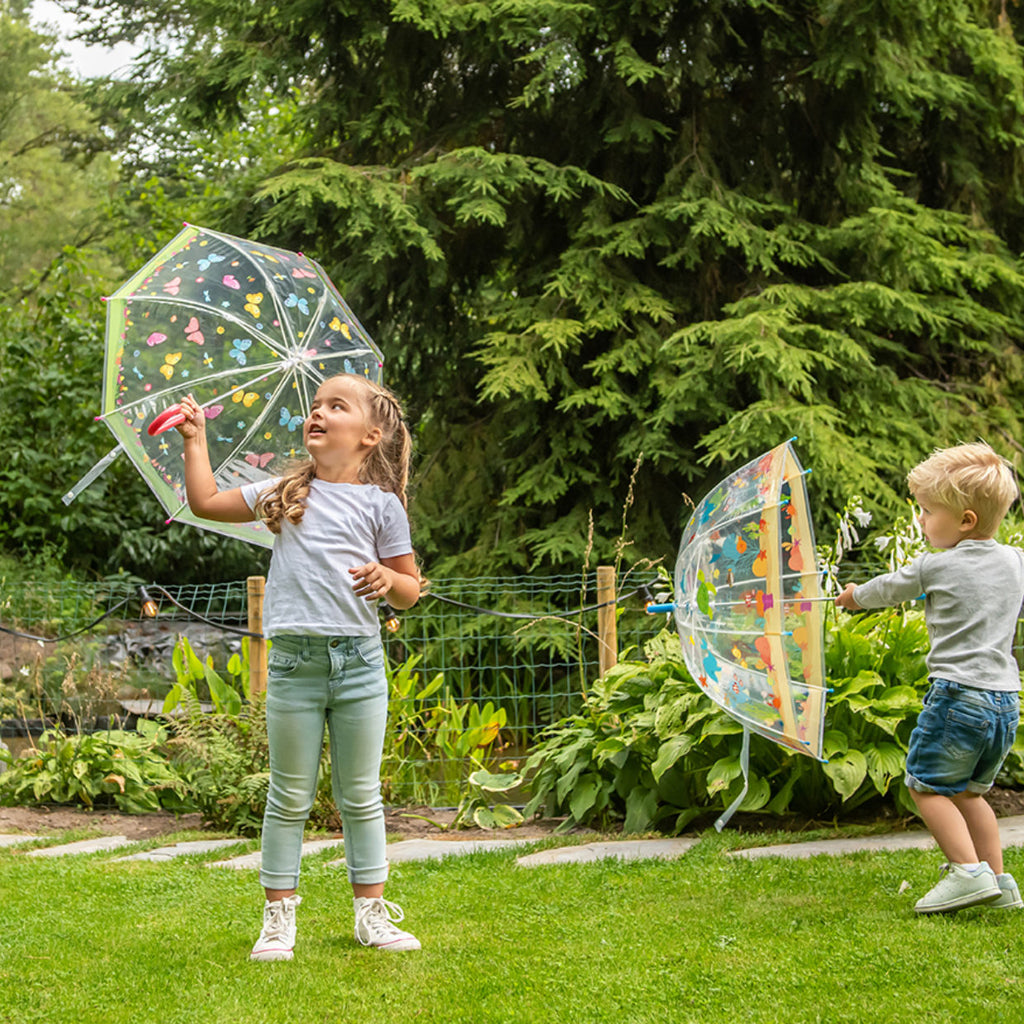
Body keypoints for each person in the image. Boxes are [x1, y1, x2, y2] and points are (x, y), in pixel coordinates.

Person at [174, 373, 422, 959]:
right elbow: (205, 501)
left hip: (359, 665)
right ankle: (278, 920)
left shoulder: (383, 505)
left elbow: (410, 588)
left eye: (336, 406)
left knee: (360, 795)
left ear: (370, 434)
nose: (318, 414)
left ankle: (371, 917)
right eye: (315, 406)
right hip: (293, 665)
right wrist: (194, 440)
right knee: (288, 796)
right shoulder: (284, 492)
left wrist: (389, 581)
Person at [836, 441, 1024, 914]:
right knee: (970, 792)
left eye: (928, 511)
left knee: (924, 785)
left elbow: (887, 589)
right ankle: (998, 881)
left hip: (959, 696)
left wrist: (853, 596)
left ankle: (966, 872)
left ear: (966, 520)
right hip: (1005, 700)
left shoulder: (935, 564)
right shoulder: (1014, 561)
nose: (921, 520)